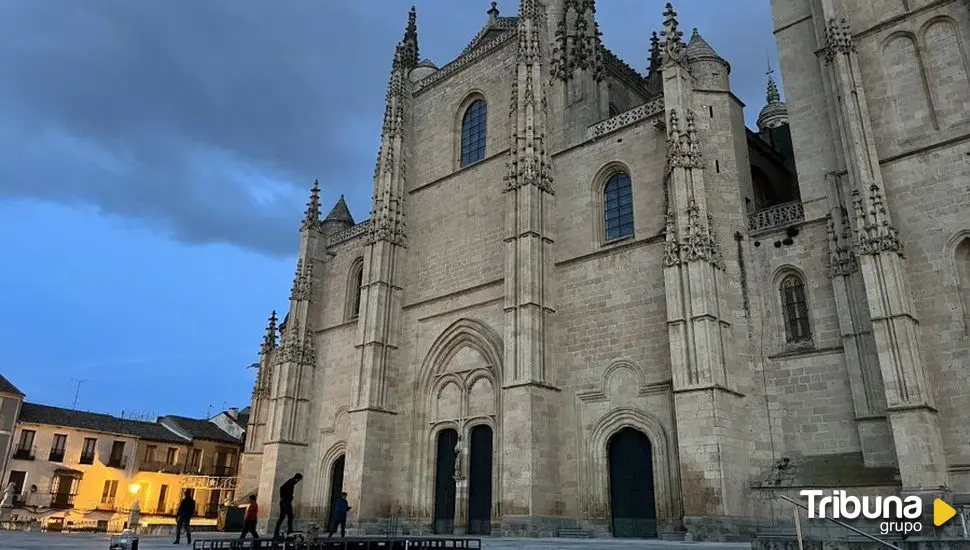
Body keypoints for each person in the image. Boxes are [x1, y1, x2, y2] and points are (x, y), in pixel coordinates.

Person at [273, 473, 302, 539]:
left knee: (290, 516)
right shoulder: (290, 482)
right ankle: (276, 533)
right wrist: (284, 497)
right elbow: (281, 488)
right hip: (285, 502)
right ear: (297, 479)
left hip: (286, 502)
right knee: (282, 517)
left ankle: (289, 530)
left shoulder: (292, 482)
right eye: (299, 480)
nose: (298, 482)